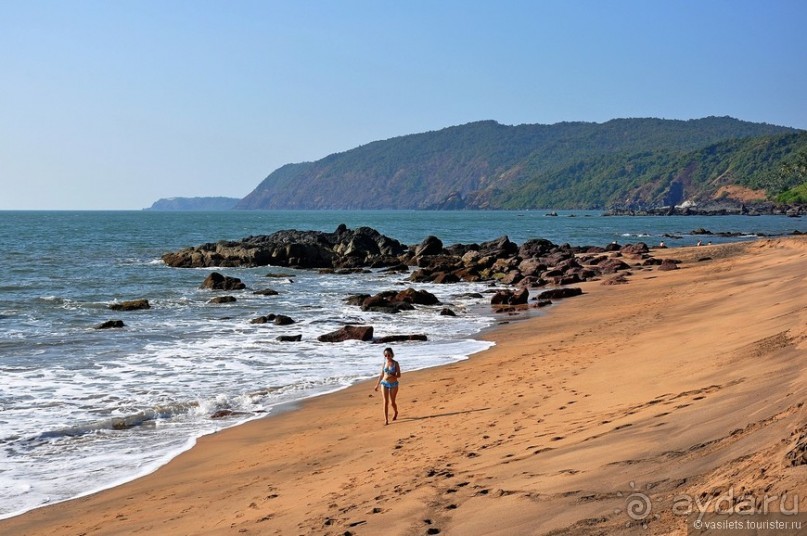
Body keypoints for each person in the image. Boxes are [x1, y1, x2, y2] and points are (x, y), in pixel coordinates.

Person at [374, 347, 401, 425]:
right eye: (385, 355)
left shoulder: (396, 363)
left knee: (392, 402)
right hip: (384, 383)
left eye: (388, 355)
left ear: (392, 355)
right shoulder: (384, 364)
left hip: (394, 384)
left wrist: (392, 375)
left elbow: (399, 375)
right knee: (385, 401)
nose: (387, 357)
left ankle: (395, 412)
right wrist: (377, 385)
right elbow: (382, 374)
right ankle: (386, 420)